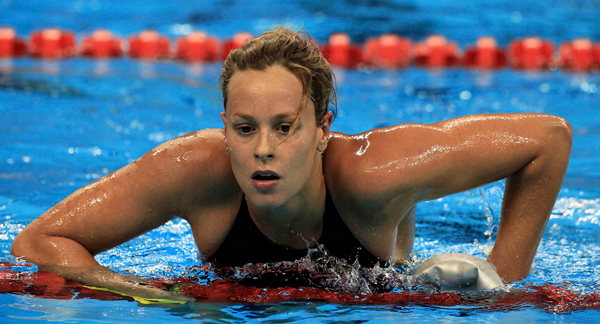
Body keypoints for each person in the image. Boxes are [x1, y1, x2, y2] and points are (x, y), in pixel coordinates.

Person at [11, 27, 572, 301]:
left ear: (323, 127)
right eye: (244, 127)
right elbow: (40, 241)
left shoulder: (373, 172)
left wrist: (508, 286)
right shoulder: (192, 169)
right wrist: (147, 292)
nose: (263, 149)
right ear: (225, 126)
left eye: (285, 127)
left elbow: (548, 137)